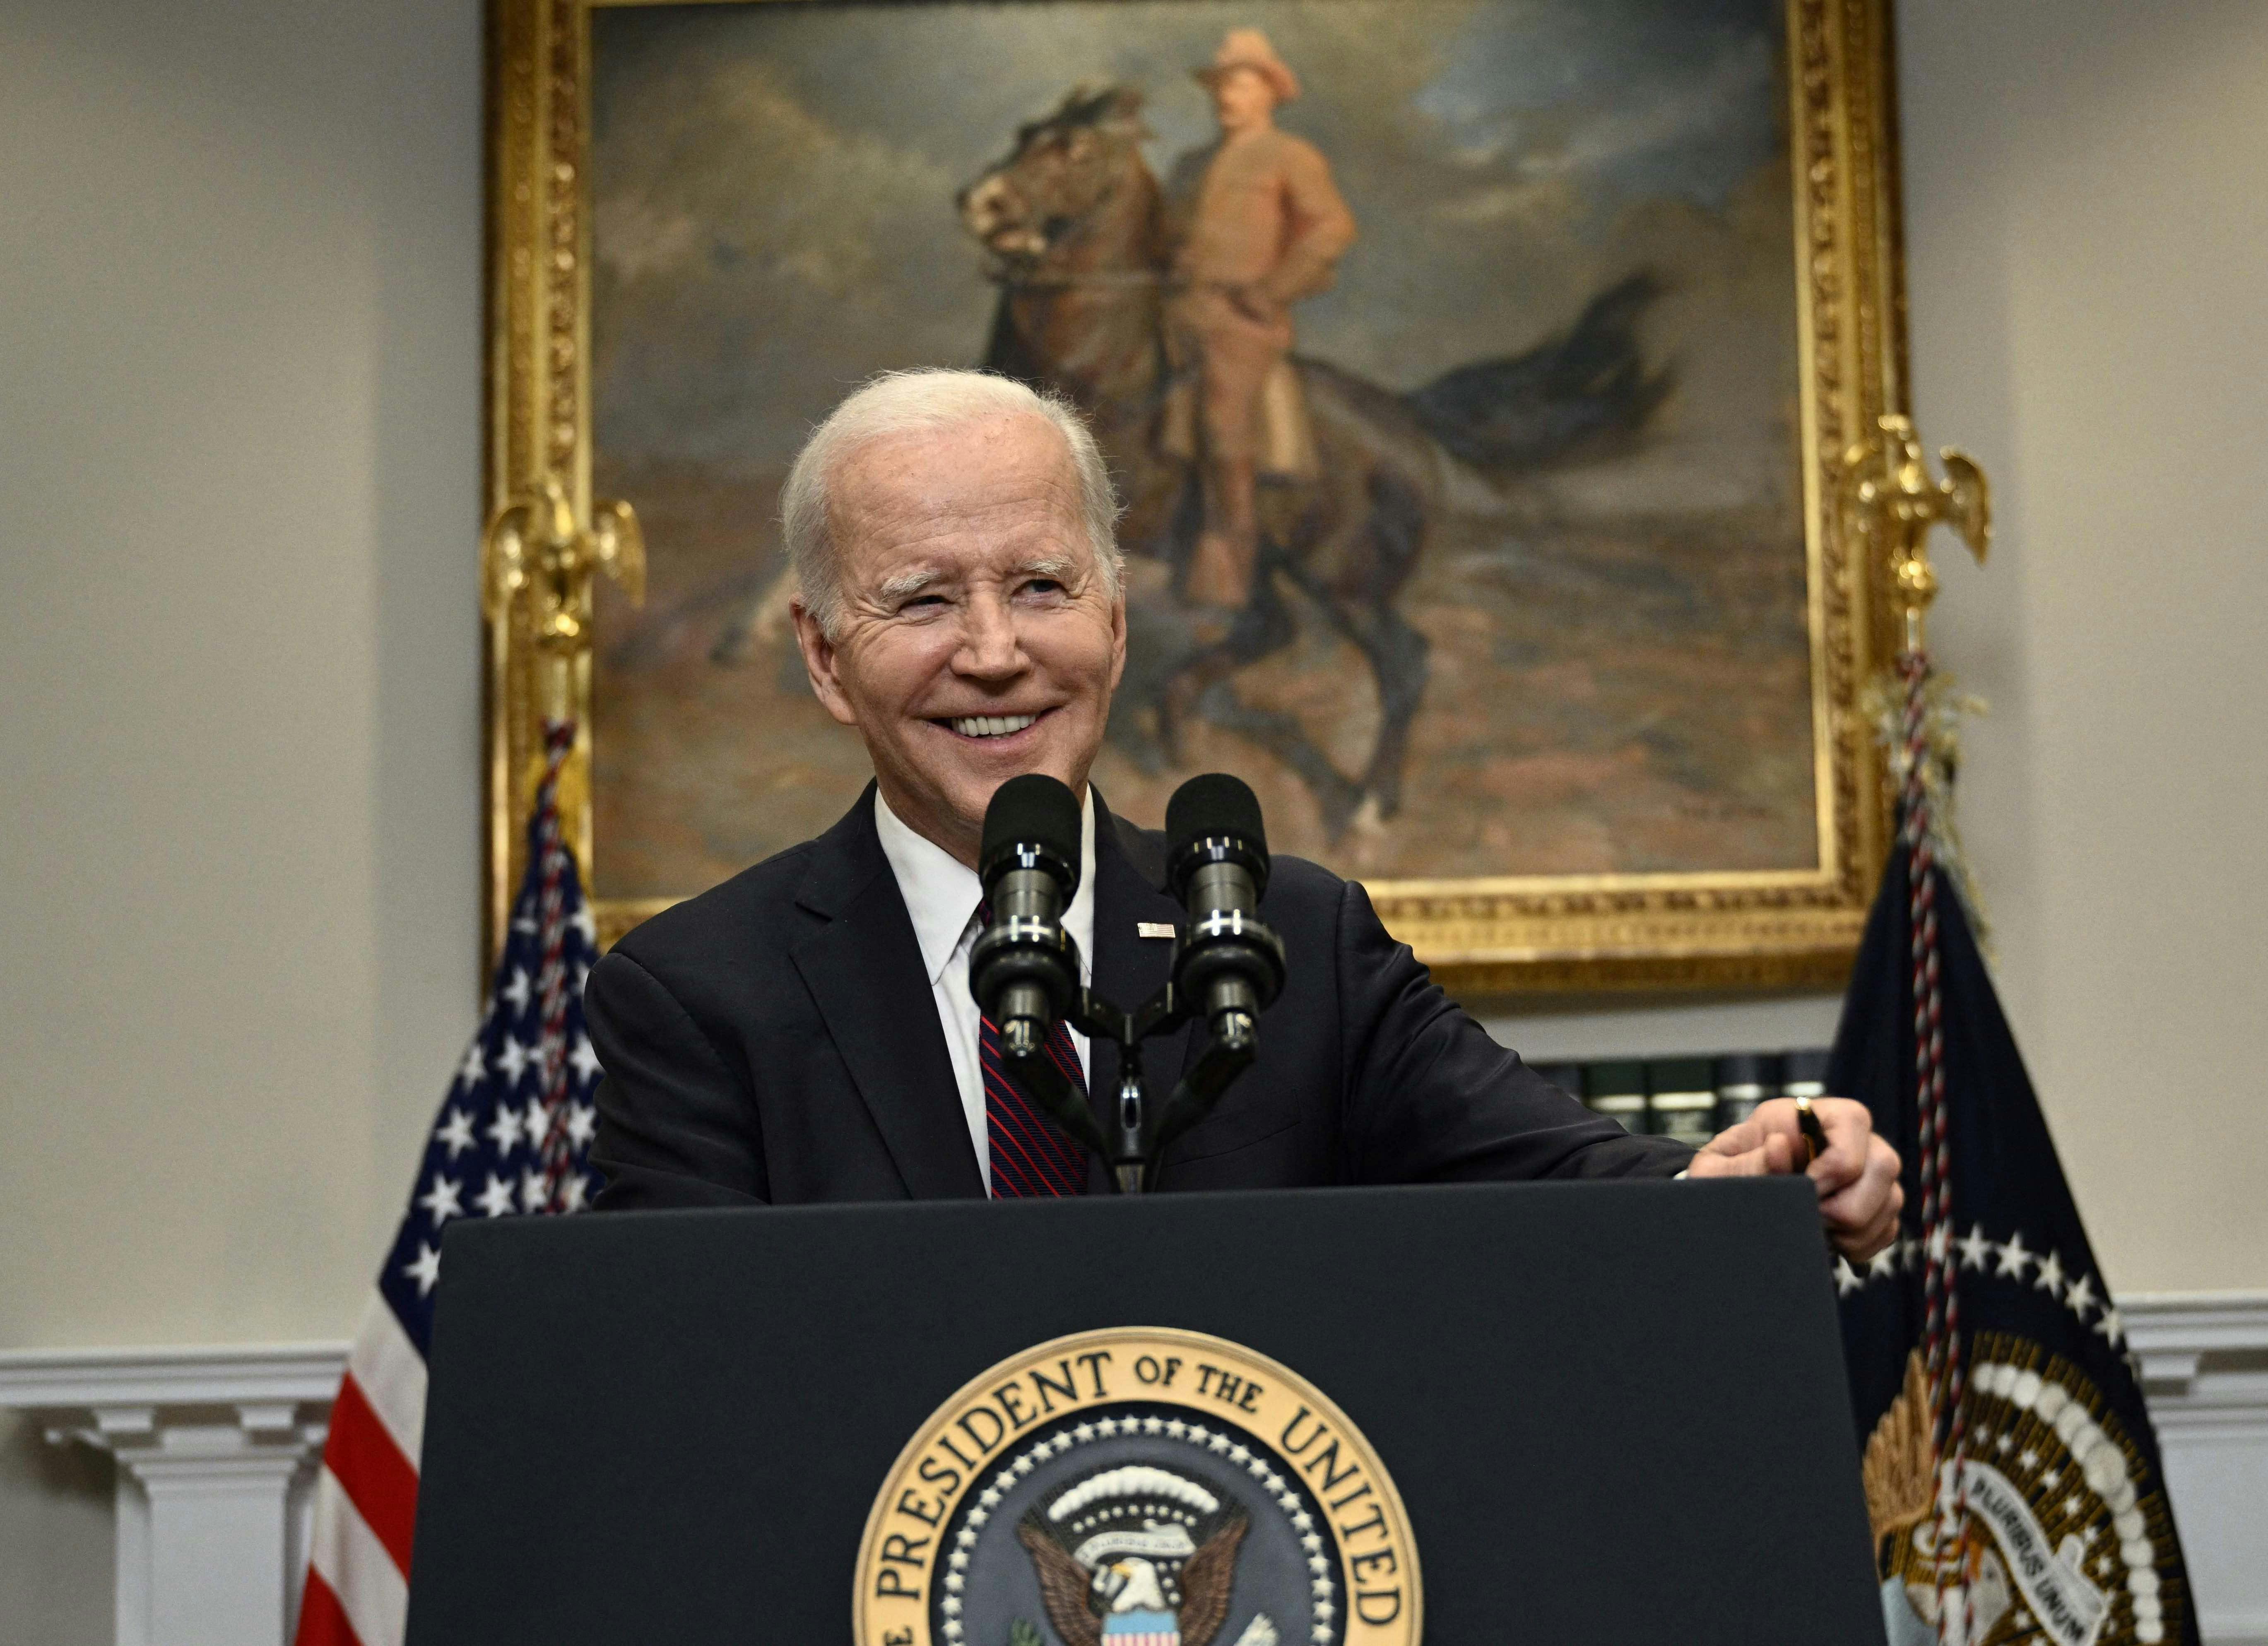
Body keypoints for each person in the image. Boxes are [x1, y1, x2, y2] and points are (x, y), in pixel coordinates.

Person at [585, 369, 1901, 1261]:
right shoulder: (697, 994)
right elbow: (684, 1366)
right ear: (823, 658)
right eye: (922, 601)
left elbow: (1550, 1175)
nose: (993, 654)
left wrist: (1740, 1183)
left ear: (1113, 618)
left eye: (1040, 586)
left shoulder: (1290, 938)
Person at [1162, 29, 1356, 609]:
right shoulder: (1191, 165)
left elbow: (1332, 228)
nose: (1228, 97)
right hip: (1176, 314)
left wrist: (1273, 291)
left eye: (1242, 86)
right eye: (1222, 86)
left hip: (1241, 323)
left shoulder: (1289, 156)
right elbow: (1167, 236)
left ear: (1270, 93)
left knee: (1223, 424)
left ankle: (1230, 567)